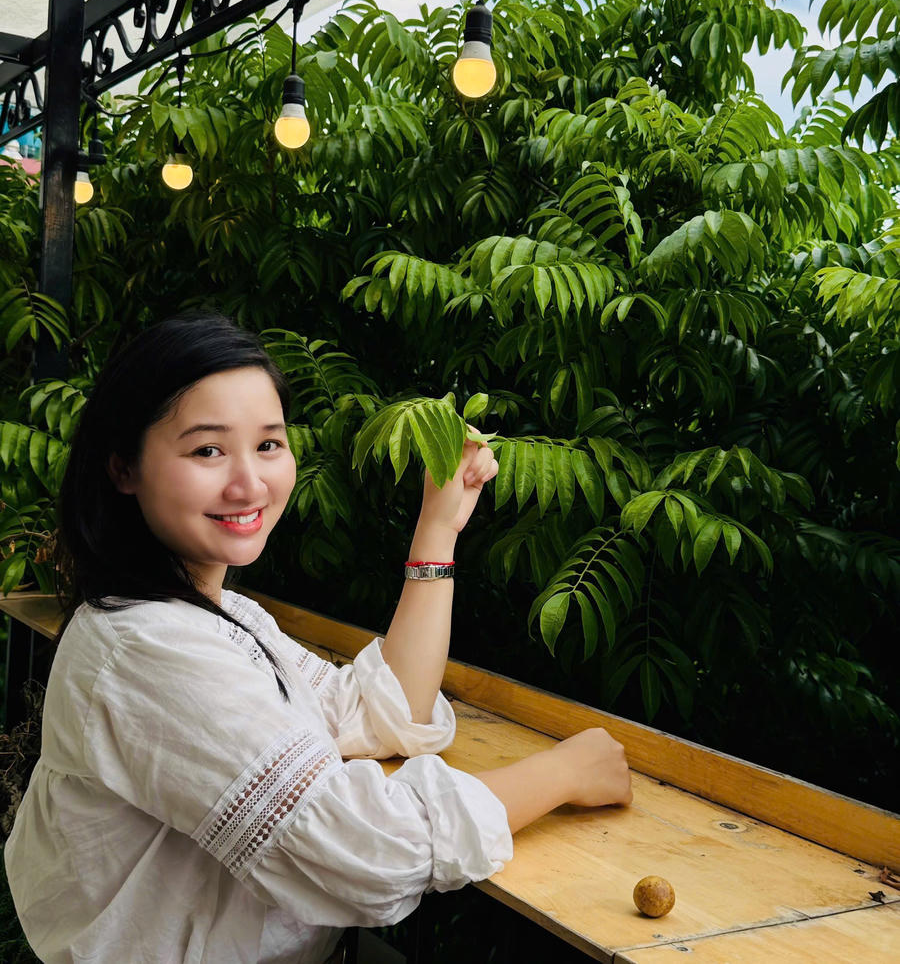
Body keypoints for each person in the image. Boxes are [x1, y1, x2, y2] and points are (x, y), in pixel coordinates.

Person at [3, 312, 632, 964]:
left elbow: (375, 714)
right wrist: (564, 772)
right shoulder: (146, 647)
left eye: (268, 444)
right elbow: (368, 852)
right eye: (207, 450)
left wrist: (437, 528)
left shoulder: (218, 614)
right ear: (123, 467)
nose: (250, 482)